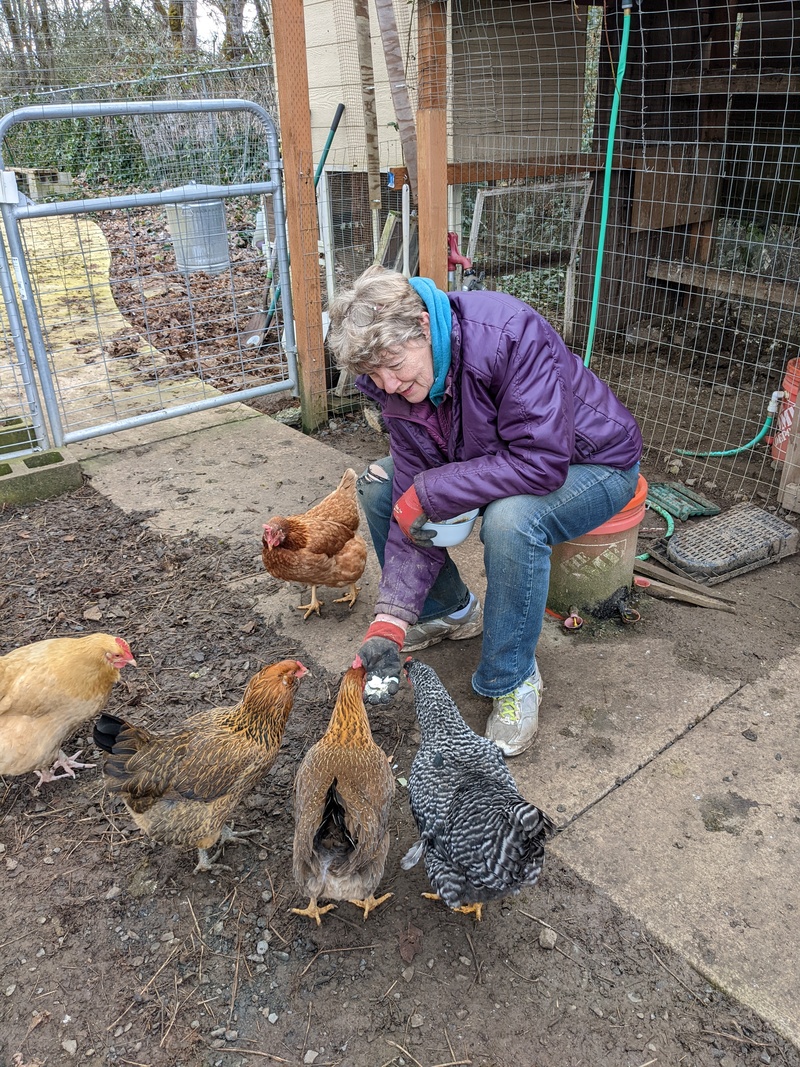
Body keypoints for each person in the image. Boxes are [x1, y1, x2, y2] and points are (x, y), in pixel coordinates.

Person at [326, 265, 643, 756]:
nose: (387, 384)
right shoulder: (398, 385)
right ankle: (447, 611)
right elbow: (413, 486)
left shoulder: (507, 333)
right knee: (382, 488)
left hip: (591, 463)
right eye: (372, 374)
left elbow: (541, 462)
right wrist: (389, 619)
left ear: (423, 328)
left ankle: (512, 677)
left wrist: (431, 492)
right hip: (494, 456)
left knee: (512, 521)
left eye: (392, 362)